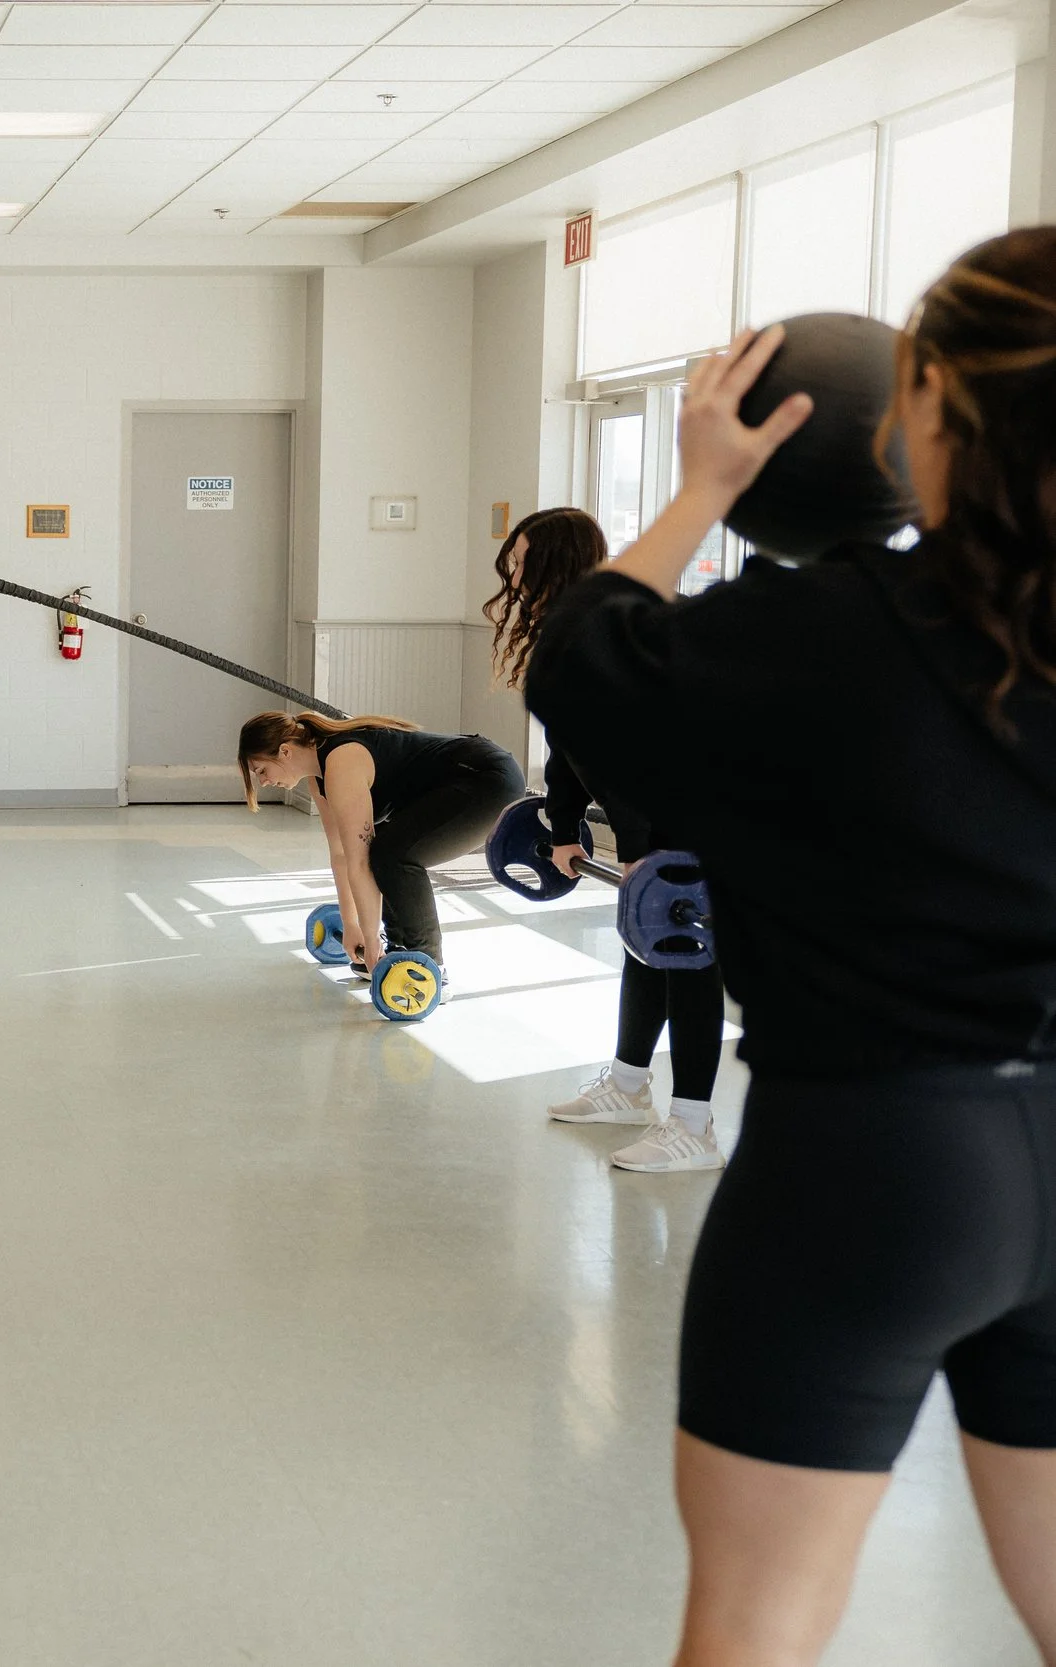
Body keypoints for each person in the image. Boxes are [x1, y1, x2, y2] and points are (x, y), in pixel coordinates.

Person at [525, 229, 1056, 1666]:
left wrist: (704, 484)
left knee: (759, 1625)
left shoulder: (817, 635)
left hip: (875, 1164)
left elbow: (581, 654)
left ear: (926, 409)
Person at [485, 506, 730, 1173]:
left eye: (521, 550)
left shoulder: (614, 626)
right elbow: (570, 742)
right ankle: (627, 1085)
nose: (509, 562)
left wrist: (641, 846)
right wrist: (564, 827)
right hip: (656, 808)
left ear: (554, 559)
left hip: (699, 799)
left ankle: (695, 1125)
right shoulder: (568, 633)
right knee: (647, 941)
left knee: (686, 952)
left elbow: (646, 750)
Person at [238, 711, 525, 977]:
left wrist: (370, 934)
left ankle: (427, 966)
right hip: (460, 779)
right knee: (385, 850)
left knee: (394, 855)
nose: (263, 782)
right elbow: (341, 855)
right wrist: (352, 926)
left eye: (261, 770)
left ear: (285, 751)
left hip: (487, 777)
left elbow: (360, 861)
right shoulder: (320, 776)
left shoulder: (341, 763)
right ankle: (398, 949)